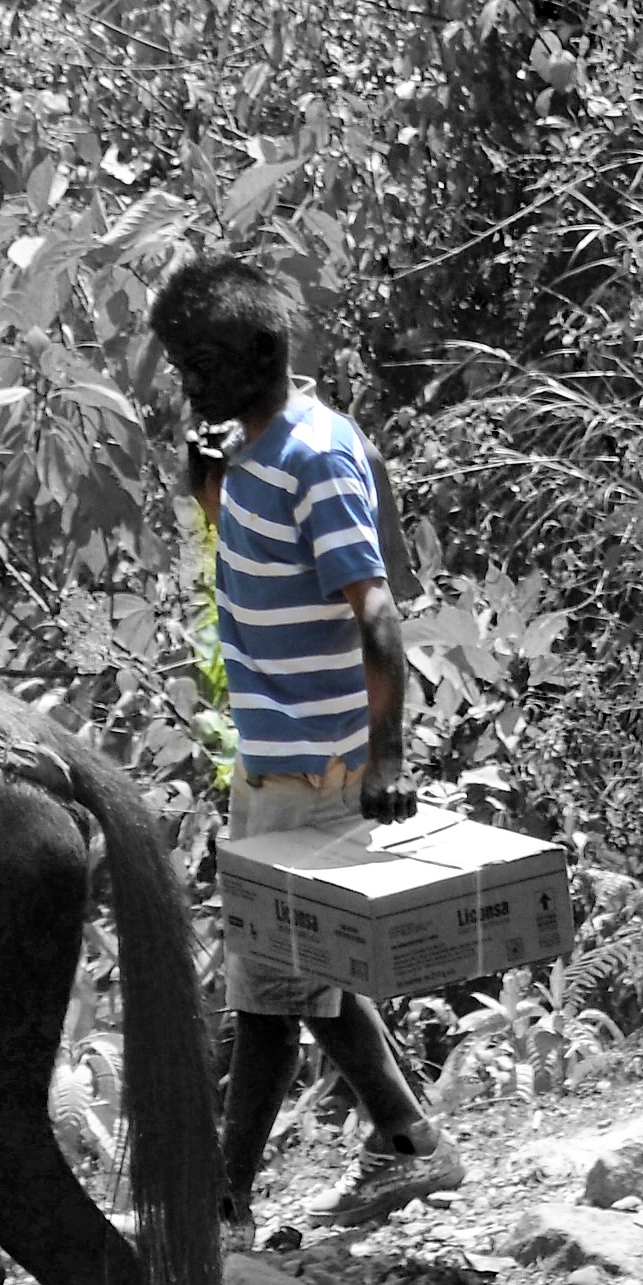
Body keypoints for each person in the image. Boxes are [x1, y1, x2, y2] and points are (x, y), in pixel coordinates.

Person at [156, 248, 470, 1226]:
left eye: (197, 364)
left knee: (265, 999)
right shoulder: (241, 441)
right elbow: (244, 548)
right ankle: (414, 1146)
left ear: (255, 357)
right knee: (308, 979)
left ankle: (222, 1202)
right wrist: (203, 466)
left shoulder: (315, 453)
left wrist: (384, 761)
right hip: (272, 756)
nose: (185, 382)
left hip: (321, 769)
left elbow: (374, 610)